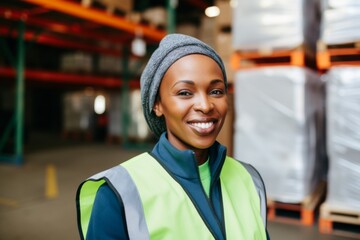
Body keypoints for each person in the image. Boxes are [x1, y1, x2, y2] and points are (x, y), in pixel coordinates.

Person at [76, 33, 270, 240]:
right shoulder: (118, 195)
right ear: (157, 105)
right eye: (185, 93)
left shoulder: (249, 179)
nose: (205, 105)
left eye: (216, 91)